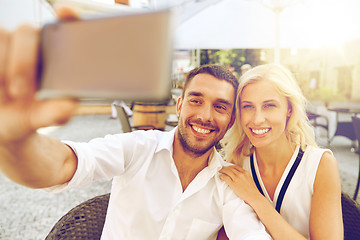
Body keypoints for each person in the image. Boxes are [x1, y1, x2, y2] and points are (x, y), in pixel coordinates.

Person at [0, 8, 272, 238]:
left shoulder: (228, 183)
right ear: (179, 105)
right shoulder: (139, 148)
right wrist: (17, 139)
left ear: (231, 119)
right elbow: (64, 164)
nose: (205, 115)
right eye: (196, 100)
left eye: (220, 106)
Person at [218, 64, 343, 240]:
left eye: (269, 105)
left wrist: (255, 199)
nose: (257, 119)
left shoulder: (320, 165)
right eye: (248, 106)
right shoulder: (236, 164)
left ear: (289, 109)